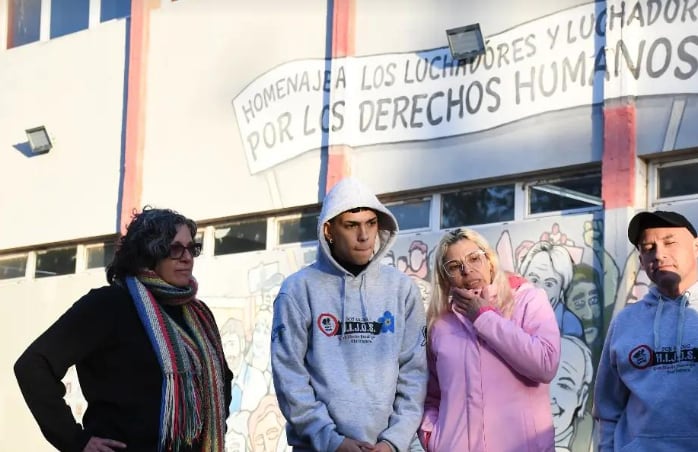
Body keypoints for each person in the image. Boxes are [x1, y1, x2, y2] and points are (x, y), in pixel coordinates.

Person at [14, 207, 233, 452]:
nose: (187, 257)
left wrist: (214, 432)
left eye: (192, 248)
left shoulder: (198, 315)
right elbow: (33, 365)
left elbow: (222, 381)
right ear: (148, 254)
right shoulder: (109, 305)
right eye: (174, 249)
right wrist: (76, 441)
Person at [270, 177, 428, 452]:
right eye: (352, 225)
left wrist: (393, 442)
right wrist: (331, 441)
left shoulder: (401, 289)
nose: (365, 236)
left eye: (371, 223)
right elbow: (289, 376)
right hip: (320, 446)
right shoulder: (297, 290)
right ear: (329, 229)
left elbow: (414, 374)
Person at [420, 228, 561, 451]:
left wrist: (484, 316)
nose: (467, 270)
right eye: (455, 267)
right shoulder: (440, 325)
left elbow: (545, 364)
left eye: (474, 258)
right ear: (445, 278)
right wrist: (433, 438)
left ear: (490, 260)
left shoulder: (527, 300)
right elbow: (431, 397)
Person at [594, 210, 698, 451]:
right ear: (641, 261)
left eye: (669, 242)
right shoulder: (626, 321)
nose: (659, 254)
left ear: (696, 247)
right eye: (648, 247)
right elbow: (608, 408)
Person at [519, 240, 585, 340]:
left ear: (561, 291)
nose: (540, 290)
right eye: (534, 280)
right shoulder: (511, 316)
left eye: (549, 284)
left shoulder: (570, 325)